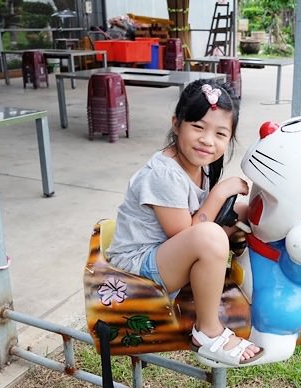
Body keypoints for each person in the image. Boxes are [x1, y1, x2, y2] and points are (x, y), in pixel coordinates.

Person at [107, 79, 263, 366]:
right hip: (137, 266)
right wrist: (219, 192)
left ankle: (258, 277)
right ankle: (208, 331)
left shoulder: (198, 167)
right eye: (198, 127)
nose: (207, 140)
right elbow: (187, 234)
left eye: (220, 133)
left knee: (242, 211)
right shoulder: (163, 174)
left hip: (164, 255)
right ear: (176, 124)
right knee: (211, 236)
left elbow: (202, 222)